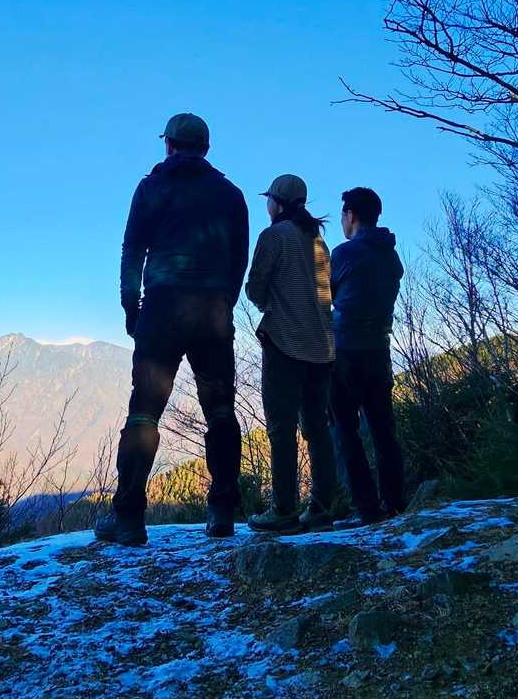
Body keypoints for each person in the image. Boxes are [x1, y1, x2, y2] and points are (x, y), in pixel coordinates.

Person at [95, 113, 250, 547]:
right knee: (220, 410)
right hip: (213, 311)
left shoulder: (151, 187)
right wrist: (224, 301)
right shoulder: (231, 194)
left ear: (169, 145)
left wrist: (131, 307)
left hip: (163, 307)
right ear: (206, 147)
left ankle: (129, 518)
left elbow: (132, 250)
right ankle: (222, 512)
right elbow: (239, 258)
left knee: (144, 411)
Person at [244, 174, 338, 534]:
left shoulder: (274, 236)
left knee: (281, 429)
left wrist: (269, 304)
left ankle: (283, 508)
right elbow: (327, 294)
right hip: (322, 347)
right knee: (317, 427)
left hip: (284, 343)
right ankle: (322, 507)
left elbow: (255, 286)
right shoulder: (319, 242)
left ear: (277, 202)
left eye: (269, 199)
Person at [328, 186, 407, 522]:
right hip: (379, 350)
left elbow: (325, 295)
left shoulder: (345, 253)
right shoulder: (391, 256)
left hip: (345, 349)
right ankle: (395, 501)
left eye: (343, 216)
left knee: (344, 429)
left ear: (351, 215)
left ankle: (365, 507)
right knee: (382, 429)